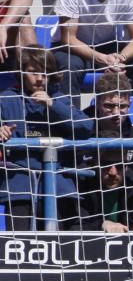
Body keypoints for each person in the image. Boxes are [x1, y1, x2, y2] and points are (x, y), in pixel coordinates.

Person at [0, 45, 93, 230]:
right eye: (33, 72)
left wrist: (52, 105)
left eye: (45, 73)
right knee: (22, 248)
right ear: (21, 73)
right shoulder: (6, 99)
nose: (40, 79)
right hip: (20, 187)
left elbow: (87, 127)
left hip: (60, 187)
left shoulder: (60, 99)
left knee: (61, 249)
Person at [81, 71, 133, 207]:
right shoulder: (79, 134)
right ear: (97, 103)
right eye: (109, 106)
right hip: (88, 213)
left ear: (130, 104)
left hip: (130, 213)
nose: (116, 113)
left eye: (122, 106)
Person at [70, 148, 133, 232]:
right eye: (106, 165)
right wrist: (102, 225)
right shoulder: (81, 182)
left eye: (119, 166)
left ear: (126, 167)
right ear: (96, 164)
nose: (113, 172)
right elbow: (75, 224)